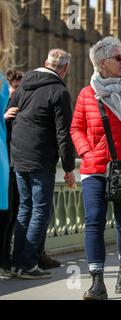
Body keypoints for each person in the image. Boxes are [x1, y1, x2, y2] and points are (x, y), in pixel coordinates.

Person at [70, 37, 121, 299]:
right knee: (93, 222)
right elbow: (76, 129)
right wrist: (85, 151)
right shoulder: (86, 94)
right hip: (94, 167)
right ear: (102, 63)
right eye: (118, 58)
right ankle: (97, 281)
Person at [9, 49, 75, 279]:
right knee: (40, 211)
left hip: (18, 156)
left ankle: (16, 262)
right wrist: (68, 168)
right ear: (64, 69)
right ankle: (27, 264)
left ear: (45, 63)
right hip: (40, 158)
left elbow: (11, 112)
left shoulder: (24, 84)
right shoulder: (59, 91)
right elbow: (63, 134)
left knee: (25, 208)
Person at [0, 69, 23, 276]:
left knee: (12, 215)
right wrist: (3, 117)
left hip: (14, 167)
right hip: (4, 167)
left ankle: (6, 260)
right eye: (14, 88)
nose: (16, 93)